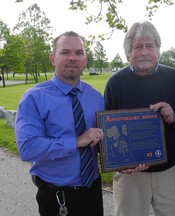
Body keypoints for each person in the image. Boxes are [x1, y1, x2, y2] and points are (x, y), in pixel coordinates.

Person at [104, 21, 175, 216]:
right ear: (128, 52)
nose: (144, 52)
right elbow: (106, 131)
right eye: (138, 47)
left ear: (158, 49)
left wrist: (174, 117)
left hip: (169, 171)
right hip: (130, 175)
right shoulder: (115, 83)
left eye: (150, 46)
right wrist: (121, 163)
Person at [15, 31, 104, 216]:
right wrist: (76, 141)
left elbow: (106, 139)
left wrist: (128, 160)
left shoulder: (96, 97)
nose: (73, 57)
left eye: (79, 53)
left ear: (85, 59)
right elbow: (28, 148)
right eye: (65, 52)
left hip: (93, 191)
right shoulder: (34, 98)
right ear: (52, 58)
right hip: (56, 196)